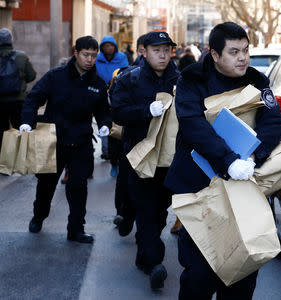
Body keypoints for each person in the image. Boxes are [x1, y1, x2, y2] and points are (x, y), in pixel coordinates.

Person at [164, 22, 281, 299]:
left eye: (245, 50)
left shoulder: (257, 80)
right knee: (199, 272)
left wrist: (255, 155)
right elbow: (194, 126)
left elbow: (273, 122)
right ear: (214, 54)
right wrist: (228, 160)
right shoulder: (191, 80)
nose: (242, 57)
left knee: (242, 272)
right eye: (233, 52)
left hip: (245, 184)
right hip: (200, 186)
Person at [20, 36, 111, 244]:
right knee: (46, 186)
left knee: (78, 188)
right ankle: (39, 216)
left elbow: (103, 110)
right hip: (53, 141)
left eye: (94, 56)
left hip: (81, 143)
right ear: (75, 53)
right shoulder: (55, 77)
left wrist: (105, 123)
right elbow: (33, 99)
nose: (90, 60)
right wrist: (27, 121)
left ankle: (76, 229)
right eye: (86, 55)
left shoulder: (97, 83)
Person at [112, 31, 179, 290]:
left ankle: (145, 258)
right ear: (144, 51)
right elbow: (118, 112)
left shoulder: (181, 80)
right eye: (156, 50)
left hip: (168, 158)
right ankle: (154, 263)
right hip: (139, 154)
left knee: (160, 209)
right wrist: (145, 112)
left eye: (167, 50)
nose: (163, 55)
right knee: (146, 208)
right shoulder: (130, 79)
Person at [0, 28, 36, 152]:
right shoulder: (21, 56)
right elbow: (32, 75)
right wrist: (19, 81)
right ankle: (21, 157)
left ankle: (5, 160)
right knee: (19, 127)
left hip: (0, 100)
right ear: (11, 40)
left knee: (3, 129)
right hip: (19, 99)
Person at [96, 35, 129, 161]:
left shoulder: (121, 57)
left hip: (116, 93)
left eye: (110, 45)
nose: (108, 48)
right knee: (103, 122)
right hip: (101, 93)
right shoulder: (98, 59)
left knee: (115, 122)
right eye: (105, 46)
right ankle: (106, 151)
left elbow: (124, 72)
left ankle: (115, 153)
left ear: (114, 47)